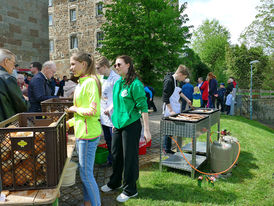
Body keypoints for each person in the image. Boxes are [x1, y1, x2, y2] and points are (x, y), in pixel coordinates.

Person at [101, 55, 151, 203]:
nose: (116, 67)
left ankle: (130, 189)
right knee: (116, 154)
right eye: (115, 65)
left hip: (131, 125)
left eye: (119, 65)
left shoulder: (135, 84)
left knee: (130, 157)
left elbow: (143, 108)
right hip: (117, 124)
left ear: (128, 65)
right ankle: (115, 182)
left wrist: (147, 130)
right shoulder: (118, 83)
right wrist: (110, 111)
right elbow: (116, 103)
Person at [66, 52, 102, 206]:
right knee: (85, 173)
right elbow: (83, 115)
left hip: (88, 136)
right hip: (83, 133)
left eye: (73, 64)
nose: (70, 68)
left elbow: (94, 112)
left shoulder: (90, 82)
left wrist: (74, 109)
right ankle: (88, 203)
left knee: (86, 175)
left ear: (84, 64)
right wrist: (69, 123)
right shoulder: (82, 82)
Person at [96, 56, 120, 166]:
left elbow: (118, 97)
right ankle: (111, 160)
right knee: (108, 140)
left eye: (98, 68)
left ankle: (118, 162)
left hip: (113, 114)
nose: (97, 71)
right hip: (103, 115)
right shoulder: (101, 78)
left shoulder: (116, 79)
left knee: (115, 142)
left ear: (105, 66)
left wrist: (110, 107)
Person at [162, 65, 191, 154]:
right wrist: (171, 110)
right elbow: (165, 97)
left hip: (174, 107)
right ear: (180, 74)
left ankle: (168, 148)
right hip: (169, 109)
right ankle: (166, 150)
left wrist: (187, 99)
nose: (183, 79)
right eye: (184, 77)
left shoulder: (175, 80)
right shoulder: (169, 81)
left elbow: (178, 91)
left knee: (171, 130)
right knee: (168, 130)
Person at [0, 48, 28, 121]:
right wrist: (25, 100)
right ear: (6, 61)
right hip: (5, 126)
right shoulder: (7, 78)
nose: (13, 67)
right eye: (13, 63)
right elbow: (22, 106)